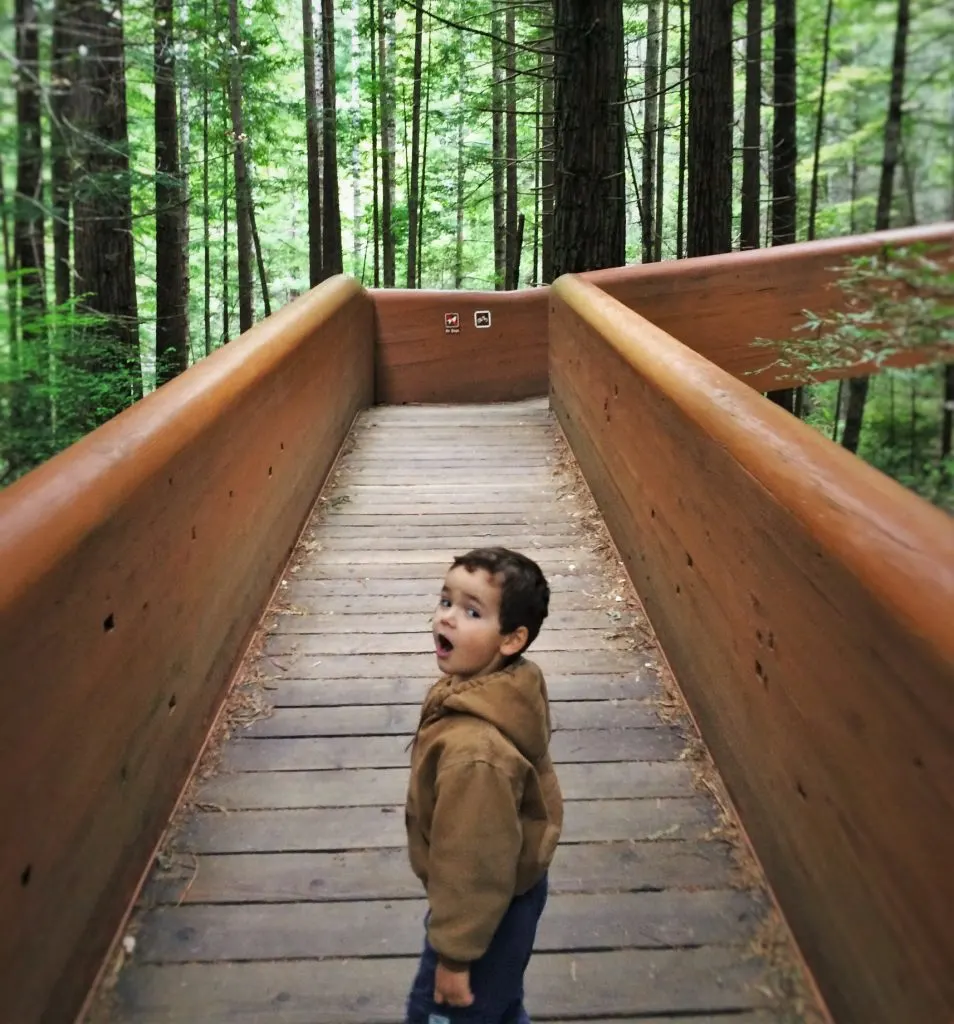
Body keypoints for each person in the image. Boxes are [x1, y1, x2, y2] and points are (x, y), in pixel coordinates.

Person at [404, 547, 564, 1024]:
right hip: (504, 899)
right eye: (446, 601)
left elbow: (475, 861)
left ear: (512, 639)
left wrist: (454, 957)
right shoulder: (503, 687)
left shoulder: (476, 755)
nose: (448, 618)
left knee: (450, 1013)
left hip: (482, 916)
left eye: (472, 611)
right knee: (501, 1004)